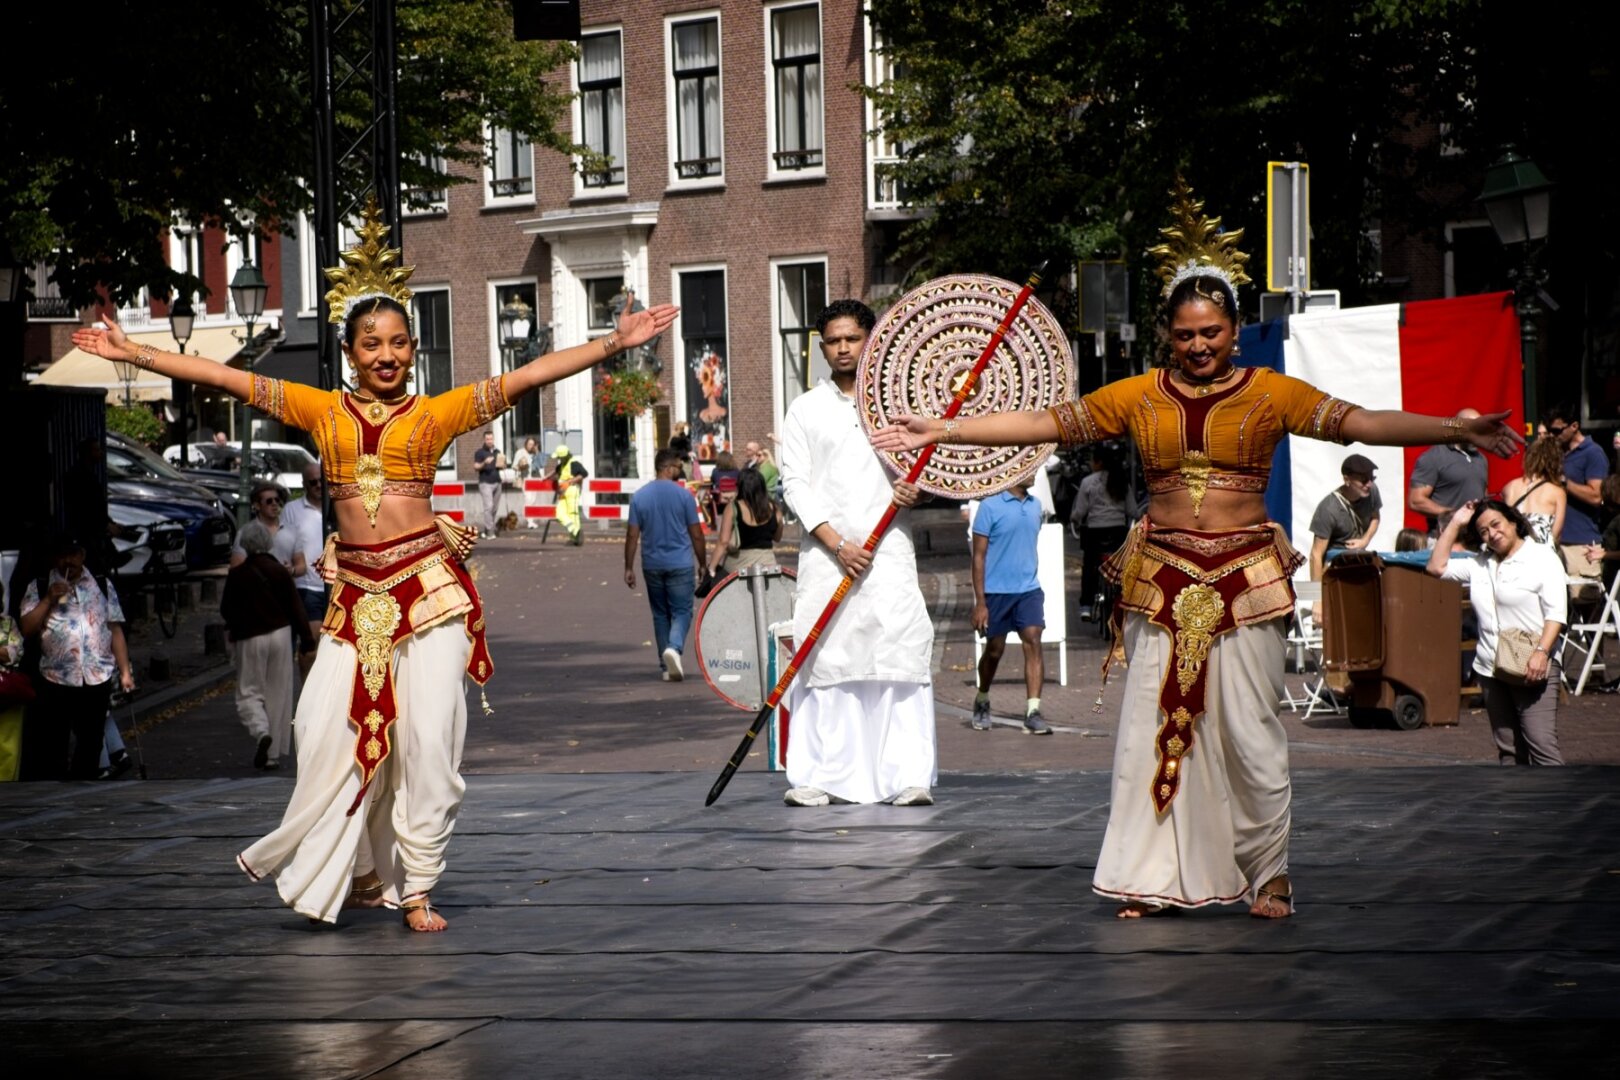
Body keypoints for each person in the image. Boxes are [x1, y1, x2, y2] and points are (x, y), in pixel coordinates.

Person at [872, 181, 1521, 916]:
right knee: (1154, 730)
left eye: (1211, 332)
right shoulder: (1136, 395)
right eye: (1185, 334)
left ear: (1234, 330)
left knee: (1249, 731)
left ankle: (1268, 869)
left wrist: (1453, 429)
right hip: (1164, 576)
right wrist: (944, 430)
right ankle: (1151, 874)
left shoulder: (1272, 393)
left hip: (1248, 577)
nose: (1199, 345)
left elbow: (1362, 423)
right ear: (1166, 337)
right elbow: (1046, 423)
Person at [71, 202, 676, 929]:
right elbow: (224, 379)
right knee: (328, 736)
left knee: (428, 740)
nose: (384, 355)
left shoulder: (437, 414)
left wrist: (614, 341)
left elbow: (527, 377)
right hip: (356, 596)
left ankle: (416, 883)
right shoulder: (321, 412)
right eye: (370, 344)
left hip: (428, 588)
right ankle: (359, 870)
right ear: (351, 352)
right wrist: (134, 354)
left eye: (396, 343)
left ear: (412, 348)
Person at [781, 299, 935, 808]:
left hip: (888, 550)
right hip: (829, 557)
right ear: (821, 346)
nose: (843, 348)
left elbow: (929, 473)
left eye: (852, 338)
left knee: (897, 653)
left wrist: (919, 491)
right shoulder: (805, 409)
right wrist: (836, 543)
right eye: (833, 340)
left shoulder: (900, 407)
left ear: (872, 339)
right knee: (827, 657)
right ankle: (820, 775)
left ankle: (907, 775)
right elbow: (796, 485)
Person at [1427, 500, 1566, 765]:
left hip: (1530, 663)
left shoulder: (1541, 558)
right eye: (1483, 531)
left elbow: (1556, 614)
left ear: (1513, 521)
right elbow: (1436, 567)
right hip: (1490, 665)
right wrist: (1456, 521)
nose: (1492, 533)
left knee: (1541, 745)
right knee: (1509, 750)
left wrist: (1541, 653)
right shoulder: (1480, 564)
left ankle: (1557, 804)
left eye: (1495, 524)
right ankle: (1514, 804)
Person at [17, 536, 136, 781]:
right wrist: (49, 599)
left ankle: (84, 794)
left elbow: (114, 630)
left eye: (73, 554)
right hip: (55, 677)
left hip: (96, 676)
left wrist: (125, 672)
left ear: (82, 555)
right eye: (62, 555)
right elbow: (27, 628)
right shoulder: (39, 586)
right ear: (54, 557)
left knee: (91, 742)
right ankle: (58, 796)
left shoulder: (101, 584)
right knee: (55, 745)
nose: (67, 561)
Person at [221, 522, 317, 770]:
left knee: (248, 691)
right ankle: (272, 755)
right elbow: (296, 606)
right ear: (268, 543)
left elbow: (226, 609)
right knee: (278, 692)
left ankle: (260, 730)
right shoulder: (278, 571)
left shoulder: (238, 574)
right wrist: (307, 639)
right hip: (281, 633)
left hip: (251, 636)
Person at [970, 477, 1052, 735]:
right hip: (996, 593)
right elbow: (978, 557)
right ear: (1014, 470)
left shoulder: (1035, 505)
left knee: (1034, 639)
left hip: (1028, 590)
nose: (1034, 474)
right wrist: (980, 602)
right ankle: (982, 698)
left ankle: (1033, 711)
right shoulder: (989, 507)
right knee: (995, 650)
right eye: (1029, 468)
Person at [624, 449, 705, 681]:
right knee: (682, 611)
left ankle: (665, 666)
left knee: (660, 614)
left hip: (652, 564)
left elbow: (632, 536)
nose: (680, 471)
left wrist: (628, 567)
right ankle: (674, 646)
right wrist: (702, 563)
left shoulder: (639, 497)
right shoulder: (684, 497)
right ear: (668, 468)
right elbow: (696, 534)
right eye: (678, 467)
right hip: (680, 562)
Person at [1070, 444, 1137, 618]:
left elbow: (1080, 511)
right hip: (1118, 532)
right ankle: (1124, 601)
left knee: (1090, 566)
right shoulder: (1122, 480)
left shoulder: (1088, 482)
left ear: (1098, 462)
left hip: (1094, 532)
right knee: (1122, 567)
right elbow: (1133, 511)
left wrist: (1074, 520)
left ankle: (1086, 605)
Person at [1408, 409, 1491, 534]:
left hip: (1475, 537)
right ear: (1458, 426)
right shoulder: (1433, 457)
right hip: (1444, 535)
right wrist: (1455, 515)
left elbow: (1483, 495)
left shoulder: (1481, 458)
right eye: (1474, 427)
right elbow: (1415, 501)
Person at [1307, 453, 1383, 579]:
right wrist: (1315, 597)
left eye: (1372, 478)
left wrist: (1365, 540)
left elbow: (1375, 518)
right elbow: (1315, 555)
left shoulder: (1372, 490)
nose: (1369, 484)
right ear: (1347, 480)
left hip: (1359, 562)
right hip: (1334, 569)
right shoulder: (1328, 508)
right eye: (1363, 480)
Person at [1547, 404, 1608, 549]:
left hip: (1581, 543)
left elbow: (1596, 496)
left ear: (1574, 426)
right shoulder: (1556, 452)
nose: (1551, 436)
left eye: (1556, 431)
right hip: (1553, 541)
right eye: (1550, 431)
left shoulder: (1593, 453)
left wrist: (1563, 481)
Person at [279, 462, 330, 628]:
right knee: (314, 637)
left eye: (321, 480)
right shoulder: (292, 510)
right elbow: (285, 545)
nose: (318, 485)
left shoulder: (335, 508)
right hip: (307, 586)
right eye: (313, 482)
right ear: (304, 485)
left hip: (336, 585)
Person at [708, 466, 782, 578]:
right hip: (768, 565)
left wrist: (711, 568)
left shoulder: (733, 507)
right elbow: (777, 537)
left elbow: (723, 542)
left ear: (740, 487)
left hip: (739, 567)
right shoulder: (775, 508)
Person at [1500, 436, 1566, 547]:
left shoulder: (1509, 487)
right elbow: (1556, 534)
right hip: (1540, 553)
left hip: (1514, 551)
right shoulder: (1557, 493)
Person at [230, 480, 304, 576]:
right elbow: (236, 567)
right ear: (257, 506)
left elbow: (302, 566)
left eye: (277, 500)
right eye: (269, 501)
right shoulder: (246, 532)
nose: (274, 504)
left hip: (284, 588)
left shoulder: (291, 530)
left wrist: (291, 570)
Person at [548, 444, 587, 545]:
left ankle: (574, 539)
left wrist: (571, 481)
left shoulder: (574, 463)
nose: (558, 459)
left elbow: (583, 474)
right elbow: (555, 471)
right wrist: (545, 477)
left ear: (564, 456)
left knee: (572, 513)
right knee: (559, 513)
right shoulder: (562, 465)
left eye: (559, 457)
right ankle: (576, 531)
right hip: (563, 491)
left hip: (572, 490)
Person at [473, 431, 502, 538]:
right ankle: (490, 532)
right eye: (487, 439)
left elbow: (501, 466)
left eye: (491, 439)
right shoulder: (480, 452)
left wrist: (503, 465)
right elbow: (475, 467)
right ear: (484, 440)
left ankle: (487, 529)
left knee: (494, 508)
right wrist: (484, 462)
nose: (490, 441)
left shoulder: (497, 451)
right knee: (488, 507)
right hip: (485, 483)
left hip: (498, 482)